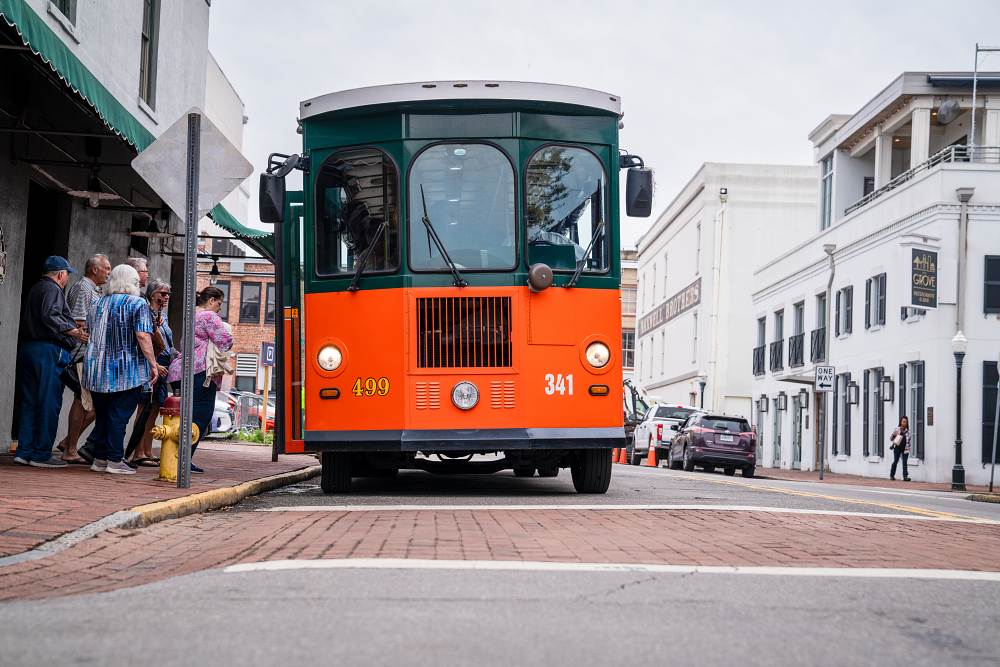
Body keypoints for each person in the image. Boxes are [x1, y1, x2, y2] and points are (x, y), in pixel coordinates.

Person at [82, 264, 159, 475]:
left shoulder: (97, 303)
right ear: (133, 282)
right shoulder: (138, 304)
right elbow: (143, 335)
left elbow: (89, 331)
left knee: (104, 415)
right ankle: (115, 460)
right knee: (119, 415)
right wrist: (153, 364)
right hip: (126, 371)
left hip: (96, 369)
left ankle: (99, 459)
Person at [14, 256, 89, 467]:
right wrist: (74, 331)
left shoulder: (37, 289)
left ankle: (24, 451)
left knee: (30, 401)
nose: (67, 280)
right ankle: (40, 454)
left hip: (29, 348)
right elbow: (50, 315)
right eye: (67, 275)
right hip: (48, 349)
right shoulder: (52, 289)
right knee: (48, 401)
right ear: (60, 274)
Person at [167, 286, 232, 473]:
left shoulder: (191, 315)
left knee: (183, 416)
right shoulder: (210, 317)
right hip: (200, 372)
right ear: (211, 300)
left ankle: (176, 458)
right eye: (219, 303)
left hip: (180, 370)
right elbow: (226, 340)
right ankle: (182, 459)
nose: (220, 308)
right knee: (200, 416)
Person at [58, 253, 111, 463]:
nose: (109, 272)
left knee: (95, 404)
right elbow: (78, 321)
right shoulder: (83, 288)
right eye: (106, 268)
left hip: (92, 354)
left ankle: (68, 442)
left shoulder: (95, 290)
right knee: (83, 400)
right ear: (94, 269)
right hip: (82, 352)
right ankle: (70, 449)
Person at [125, 279, 174, 466]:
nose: (166, 297)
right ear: (152, 294)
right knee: (144, 408)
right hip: (151, 365)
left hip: (162, 365)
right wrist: (153, 362)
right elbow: (145, 340)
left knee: (154, 409)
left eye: (168, 294)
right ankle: (137, 452)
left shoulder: (163, 315)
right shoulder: (145, 311)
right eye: (162, 293)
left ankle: (146, 449)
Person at [889, 416, 911, 482]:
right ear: (901, 422)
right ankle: (892, 475)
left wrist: (908, 449)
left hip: (905, 448)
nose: (904, 423)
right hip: (897, 448)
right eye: (903, 421)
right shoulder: (897, 429)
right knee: (895, 461)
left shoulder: (908, 431)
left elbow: (909, 441)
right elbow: (891, 439)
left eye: (906, 422)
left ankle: (905, 476)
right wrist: (893, 435)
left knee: (905, 463)